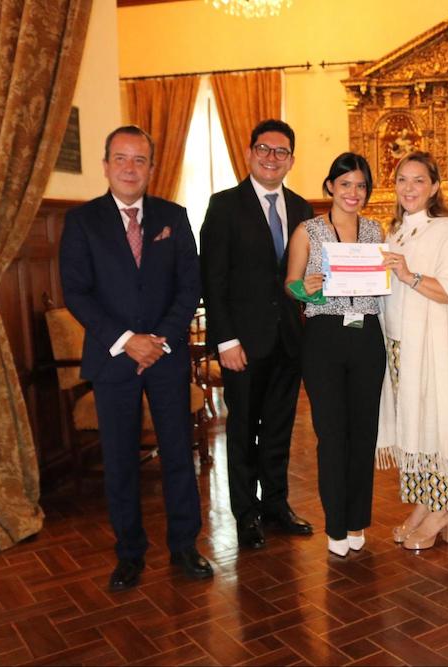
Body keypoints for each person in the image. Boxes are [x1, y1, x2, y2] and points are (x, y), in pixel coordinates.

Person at [59, 126, 212, 591]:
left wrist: (159, 339)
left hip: (165, 357)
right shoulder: (82, 222)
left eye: (139, 159)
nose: (130, 167)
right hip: (112, 360)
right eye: (121, 158)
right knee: (121, 460)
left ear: (151, 167)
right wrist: (128, 340)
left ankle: (185, 546)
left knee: (178, 458)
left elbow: (190, 286)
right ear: (106, 165)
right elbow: (77, 293)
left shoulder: (174, 216)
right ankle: (129, 554)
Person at [200, 119, 314, 550]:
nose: (271, 157)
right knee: (244, 429)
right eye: (263, 149)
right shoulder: (224, 206)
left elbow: (308, 276)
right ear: (249, 153)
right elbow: (213, 279)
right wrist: (225, 341)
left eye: (280, 151)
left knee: (280, 429)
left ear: (291, 161)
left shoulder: (302, 209)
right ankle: (246, 514)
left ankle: (277, 506)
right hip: (242, 346)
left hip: (289, 341)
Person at [285, 152, 386, 558]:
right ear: (330, 187)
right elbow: (290, 284)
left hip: (366, 335)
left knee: (364, 433)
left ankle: (358, 518)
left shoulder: (376, 231)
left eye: (361, 185)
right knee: (332, 435)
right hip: (324, 338)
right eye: (345, 184)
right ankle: (336, 524)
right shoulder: (309, 230)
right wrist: (306, 288)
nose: (353, 192)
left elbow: (383, 281)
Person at [377, 152, 448, 551]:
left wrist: (409, 275)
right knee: (413, 426)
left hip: (438, 345)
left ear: (434, 187)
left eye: (418, 180)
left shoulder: (446, 229)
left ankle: (445, 508)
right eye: (402, 179)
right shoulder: (396, 232)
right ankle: (424, 503)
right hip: (401, 345)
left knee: (440, 425)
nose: (409, 188)